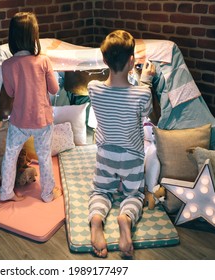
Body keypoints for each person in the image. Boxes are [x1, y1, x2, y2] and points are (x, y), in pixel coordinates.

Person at [87, 30, 155, 258]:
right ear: (131, 61)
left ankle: (97, 220)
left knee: (101, 191)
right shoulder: (142, 93)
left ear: (105, 61)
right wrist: (146, 81)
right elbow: (148, 115)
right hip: (132, 157)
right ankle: (125, 219)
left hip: (106, 154)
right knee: (134, 196)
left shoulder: (93, 88)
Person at [0, 12, 62, 203]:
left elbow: (10, 92)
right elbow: (54, 88)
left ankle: (6, 192)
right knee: (44, 157)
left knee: (10, 155)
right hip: (42, 119)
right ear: (34, 36)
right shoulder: (43, 61)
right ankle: (47, 194)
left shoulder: (7, 65)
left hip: (19, 121)